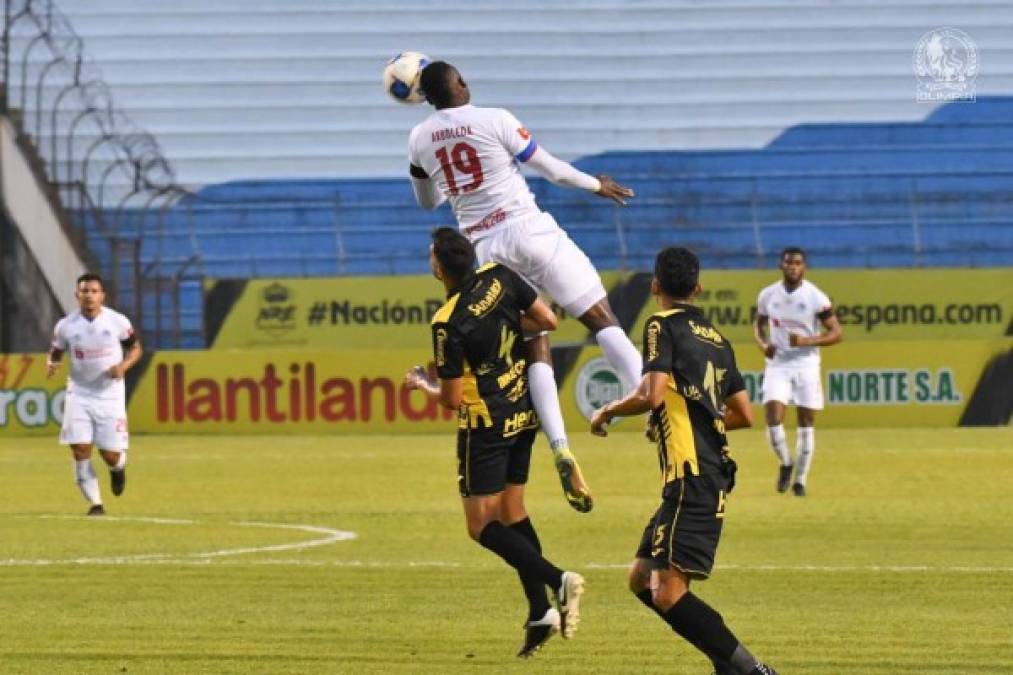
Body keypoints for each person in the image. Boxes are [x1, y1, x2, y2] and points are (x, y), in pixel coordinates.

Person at [407, 60, 643, 512]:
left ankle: (560, 446)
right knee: (600, 317)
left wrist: (443, 178)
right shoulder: (496, 118)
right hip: (529, 231)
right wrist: (598, 184)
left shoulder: (418, 139)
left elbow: (427, 203)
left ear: (422, 97)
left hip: (486, 253)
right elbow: (551, 170)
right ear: (460, 85)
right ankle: (652, 407)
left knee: (536, 343)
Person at [589, 247, 778, 675]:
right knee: (641, 578)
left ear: (655, 287)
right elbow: (743, 415)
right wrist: (687, 422)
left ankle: (751, 669)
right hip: (701, 472)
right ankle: (724, 660)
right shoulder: (718, 340)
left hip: (692, 475)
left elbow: (650, 393)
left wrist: (607, 411)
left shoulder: (660, 324)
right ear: (698, 288)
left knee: (668, 593)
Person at [404, 227, 585, 658]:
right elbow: (548, 320)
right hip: (523, 409)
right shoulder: (500, 276)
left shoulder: (447, 322)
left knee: (480, 525)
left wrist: (423, 384)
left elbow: (451, 400)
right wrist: (502, 323)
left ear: (439, 267)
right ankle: (541, 610)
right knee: (512, 510)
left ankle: (558, 579)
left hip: (485, 422)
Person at [46, 273, 142, 516]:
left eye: (94, 291)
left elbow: (136, 349)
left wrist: (123, 366)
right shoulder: (66, 326)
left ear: (102, 295)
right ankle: (96, 504)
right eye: (84, 291)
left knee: (109, 454)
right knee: (80, 449)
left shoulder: (117, 321)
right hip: (78, 393)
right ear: (77, 295)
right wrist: (52, 363)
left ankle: (118, 469)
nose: (89, 295)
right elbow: (57, 350)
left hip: (109, 395)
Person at [753, 247, 843, 497]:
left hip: (806, 365)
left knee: (806, 424)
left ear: (804, 267)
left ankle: (800, 480)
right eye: (789, 263)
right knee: (772, 418)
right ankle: (785, 462)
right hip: (778, 364)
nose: (793, 267)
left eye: (798, 263)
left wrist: (807, 341)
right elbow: (757, 325)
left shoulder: (815, 296)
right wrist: (762, 345)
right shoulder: (768, 295)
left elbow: (837, 333)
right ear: (781, 266)